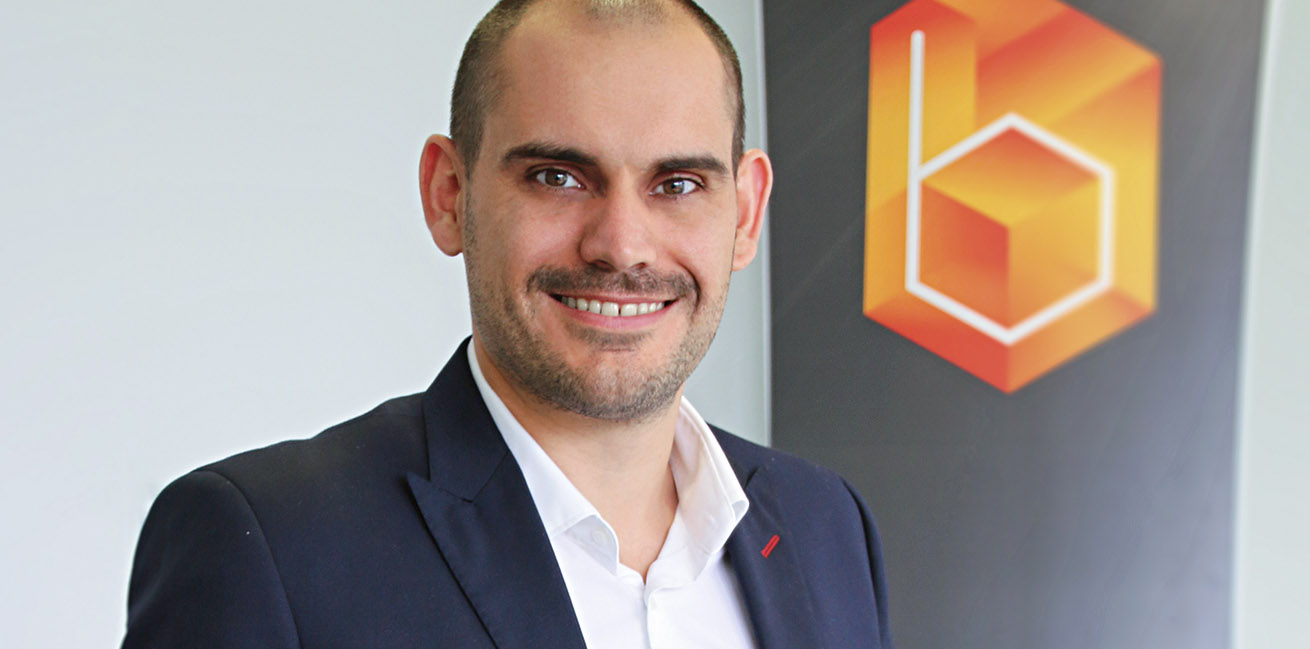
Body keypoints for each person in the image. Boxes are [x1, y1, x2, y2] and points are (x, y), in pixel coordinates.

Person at [121, 1, 892, 647]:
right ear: (449, 195)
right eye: (558, 177)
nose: (621, 244)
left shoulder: (828, 528)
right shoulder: (271, 547)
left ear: (746, 213)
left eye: (679, 183)